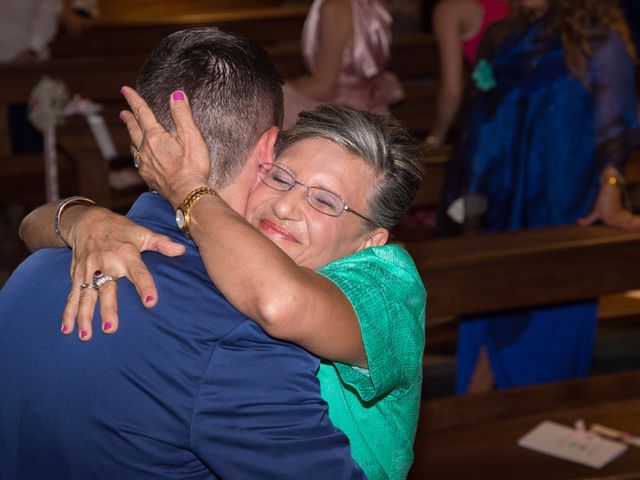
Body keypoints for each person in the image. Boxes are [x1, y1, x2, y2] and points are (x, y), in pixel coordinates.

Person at [0, 27, 369, 479]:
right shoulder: (238, 335)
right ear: (269, 149)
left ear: (144, 142)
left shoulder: (29, 274)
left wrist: (74, 215)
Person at [439, 0, 640, 394]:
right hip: (495, 224)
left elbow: (615, 128)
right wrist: (468, 208)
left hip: (559, 222)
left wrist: (611, 190)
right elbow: (476, 130)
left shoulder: (600, 44)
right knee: (479, 367)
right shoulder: (502, 37)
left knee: (542, 381)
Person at [282, 0, 404, 128]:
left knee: (273, 102)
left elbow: (322, 88)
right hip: (374, 110)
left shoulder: (336, 7)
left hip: (344, 118)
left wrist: (281, 89)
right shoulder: (377, 3)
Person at [426, 0, 509, 148]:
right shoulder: (529, 4)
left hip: (497, 122)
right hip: (546, 110)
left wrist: (435, 138)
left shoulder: (450, 10)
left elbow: (452, 92)